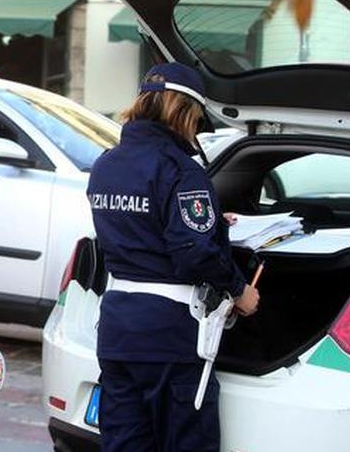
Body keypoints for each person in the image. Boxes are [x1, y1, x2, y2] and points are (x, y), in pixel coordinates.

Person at [86, 62, 261, 452]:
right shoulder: (180, 170)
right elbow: (194, 253)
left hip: (117, 329)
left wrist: (214, 223)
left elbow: (141, 226)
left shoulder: (105, 165)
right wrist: (239, 291)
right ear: (184, 112)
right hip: (169, 337)